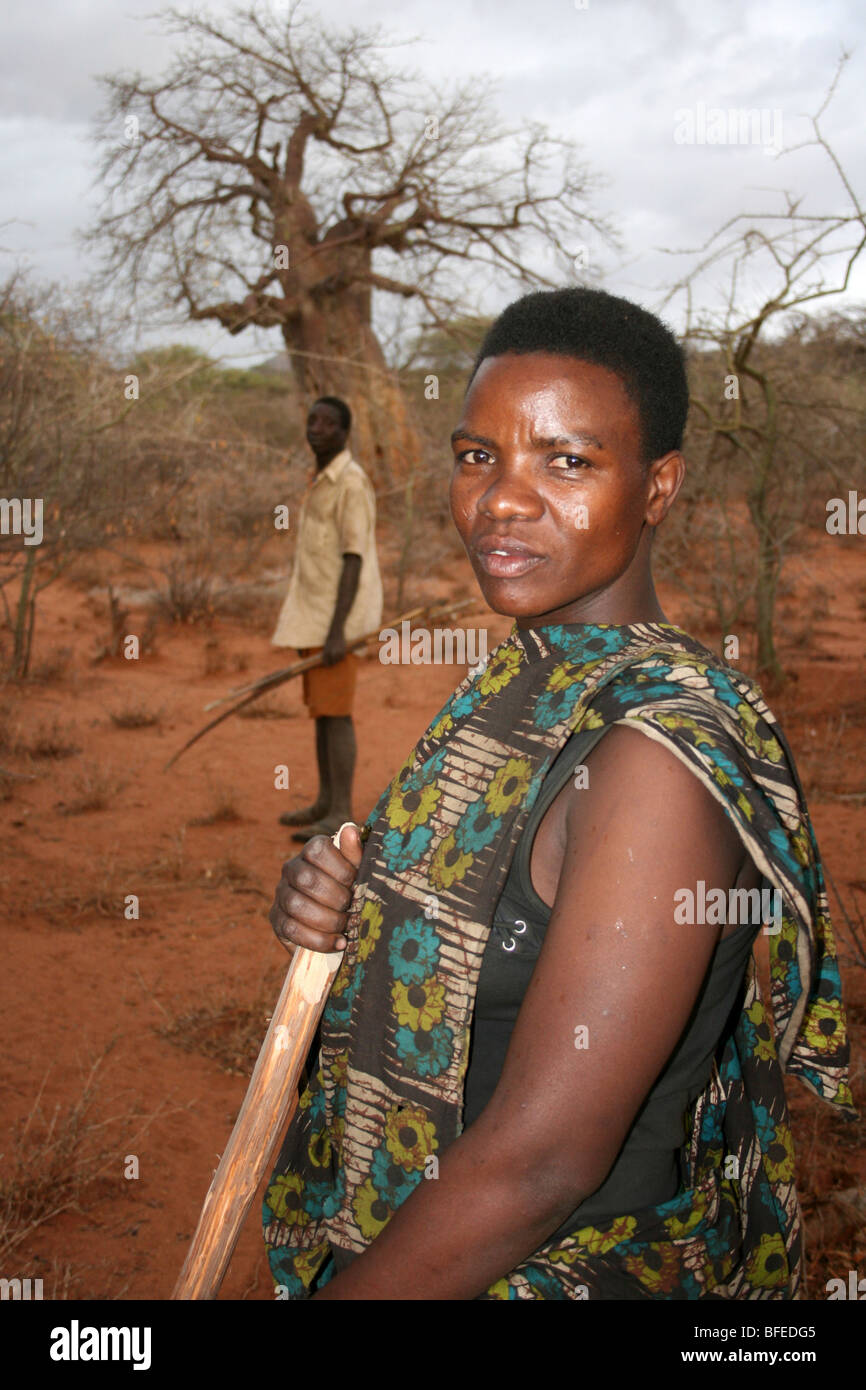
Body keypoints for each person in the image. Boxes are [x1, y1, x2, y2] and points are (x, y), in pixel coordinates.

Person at [262, 289, 853, 1300]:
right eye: (476, 455)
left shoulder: (654, 758)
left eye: (565, 461)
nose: (498, 498)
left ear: (656, 487)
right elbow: (481, 929)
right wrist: (343, 905)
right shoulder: (525, 682)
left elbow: (543, 1164)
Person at [271, 395, 383, 842]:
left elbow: (354, 558)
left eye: (327, 423)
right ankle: (323, 800)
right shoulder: (321, 480)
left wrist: (339, 631)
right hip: (316, 615)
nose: (315, 428)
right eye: (311, 420)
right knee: (322, 712)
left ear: (344, 432)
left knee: (336, 714)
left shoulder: (351, 484)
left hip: (337, 621)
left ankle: (339, 811)